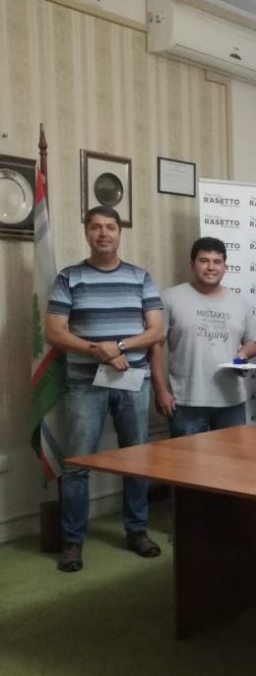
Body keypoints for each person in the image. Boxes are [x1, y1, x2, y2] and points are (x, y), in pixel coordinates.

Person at [44, 206, 164, 572]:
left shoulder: (140, 277)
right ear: (87, 233)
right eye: (95, 227)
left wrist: (119, 347)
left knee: (136, 459)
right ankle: (72, 542)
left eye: (110, 227)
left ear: (119, 232)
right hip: (85, 384)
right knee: (78, 464)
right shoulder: (69, 277)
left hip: (133, 381)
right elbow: (55, 333)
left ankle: (137, 530)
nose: (103, 233)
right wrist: (97, 350)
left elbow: (155, 331)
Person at [150, 237, 256, 436]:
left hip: (231, 400)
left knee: (231, 456)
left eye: (217, 262)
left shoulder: (240, 303)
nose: (211, 267)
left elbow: (253, 342)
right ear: (192, 265)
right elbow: (155, 346)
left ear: (225, 267)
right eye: (204, 261)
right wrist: (160, 390)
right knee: (186, 457)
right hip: (186, 401)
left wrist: (243, 354)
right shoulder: (169, 298)